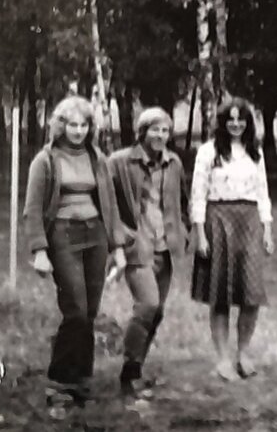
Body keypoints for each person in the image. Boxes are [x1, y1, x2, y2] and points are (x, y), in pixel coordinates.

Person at [22, 95, 126, 418]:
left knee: (89, 313)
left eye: (84, 125)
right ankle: (59, 384)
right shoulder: (46, 160)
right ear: (60, 125)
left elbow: (110, 207)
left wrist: (118, 248)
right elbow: (32, 210)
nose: (78, 131)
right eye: (72, 124)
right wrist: (39, 250)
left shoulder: (99, 158)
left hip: (95, 235)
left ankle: (81, 382)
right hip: (63, 236)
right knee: (76, 311)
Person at [107, 107, 191, 398]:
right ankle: (128, 374)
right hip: (136, 246)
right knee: (147, 305)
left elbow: (182, 199)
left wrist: (186, 230)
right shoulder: (119, 161)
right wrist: (118, 238)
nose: (160, 136)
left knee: (157, 313)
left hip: (165, 247)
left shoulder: (174, 163)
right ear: (142, 132)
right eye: (155, 129)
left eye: (165, 130)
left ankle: (137, 370)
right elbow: (107, 204)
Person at [190, 98, 275, 381]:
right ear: (222, 122)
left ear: (248, 123)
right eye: (231, 119)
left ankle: (244, 353)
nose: (236, 124)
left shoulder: (255, 153)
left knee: (251, 295)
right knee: (220, 295)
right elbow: (198, 194)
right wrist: (200, 234)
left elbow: (263, 193)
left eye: (241, 119)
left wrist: (268, 230)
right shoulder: (208, 152)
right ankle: (223, 359)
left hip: (249, 222)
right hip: (219, 220)